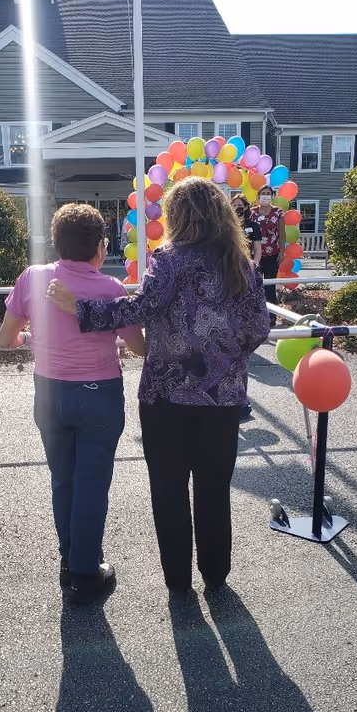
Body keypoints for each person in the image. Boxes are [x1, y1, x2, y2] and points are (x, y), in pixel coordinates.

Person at [48, 178, 271, 595]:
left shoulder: (168, 259)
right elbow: (259, 326)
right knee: (213, 487)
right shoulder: (241, 264)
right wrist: (225, 353)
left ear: (177, 216)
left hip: (165, 396)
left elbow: (141, 308)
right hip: (222, 397)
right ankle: (216, 575)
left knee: (168, 489)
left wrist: (79, 308)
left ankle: (178, 582)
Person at [0, 204, 144, 605]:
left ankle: (69, 560)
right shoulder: (111, 288)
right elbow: (138, 346)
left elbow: (5, 339)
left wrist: (32, 339)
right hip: (99, 392)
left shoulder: (33, 277)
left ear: (56, 243)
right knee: (92, 483)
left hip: (49, 392)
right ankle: (84, 570)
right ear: (100, 246)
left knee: (62, 479)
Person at [232, 193, 262, 420]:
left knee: (239, 352)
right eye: (235, 206)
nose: (238, 209)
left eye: (241, 206)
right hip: (230, 283)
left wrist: (254, 269)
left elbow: (259, 321)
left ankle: (240, 401)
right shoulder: (225, 229)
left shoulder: (252, 227)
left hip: (244, 281)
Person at [250, 185, 285, 326]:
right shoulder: (252, 212)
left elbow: (282, 233)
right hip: (255, 255)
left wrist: (282, 251)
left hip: (272, 254)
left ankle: (271, 317)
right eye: (263, 193)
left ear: (272, 196)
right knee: (255, 285)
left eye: (268, 193)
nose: (265, 196)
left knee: (270, 286)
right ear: (258, 196)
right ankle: (257, 317)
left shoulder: (278, 212)